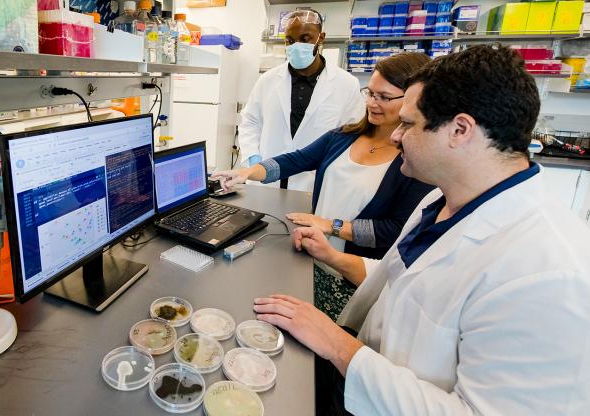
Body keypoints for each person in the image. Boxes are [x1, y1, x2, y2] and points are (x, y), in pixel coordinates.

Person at [254, 45, 590, 415]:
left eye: (409, 124)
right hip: (360, 382)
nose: (395, 136)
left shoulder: (549, 275)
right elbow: (405, 283)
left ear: (460, 130)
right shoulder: (444, 203)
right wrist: (331, 255)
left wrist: (337, 344)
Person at [215, 53, 434, 319]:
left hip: (348, 276)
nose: (372, 103)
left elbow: (395, 230)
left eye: (384, 97)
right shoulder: (344, 136)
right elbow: (295, 160)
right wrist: (248, 170)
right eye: (370, 93)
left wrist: (332, 226)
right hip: (309, 257)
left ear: (413, 99)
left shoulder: (415, 160)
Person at [238, 9, 365, 191]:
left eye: (305, 39)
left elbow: (353, 135)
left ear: (320, 38)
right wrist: (253, 158)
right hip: (266, 179)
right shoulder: (268, 80)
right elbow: (250, 121)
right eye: (290, 40)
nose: (296, 45)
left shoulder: (346, 84)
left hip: (312, 183)